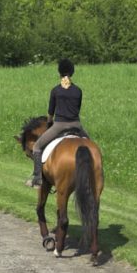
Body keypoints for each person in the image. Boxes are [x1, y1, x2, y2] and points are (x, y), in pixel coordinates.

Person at [28, 58, 89, 189]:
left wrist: (49, 123)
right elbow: (77, 109)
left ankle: (37, 178)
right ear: (72, 73)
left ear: (59, 73)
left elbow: (50, 113)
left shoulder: (55, 90)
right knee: (91, 146)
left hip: (60, 125)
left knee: (37, 147)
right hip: (77, 125)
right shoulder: (78, 90)